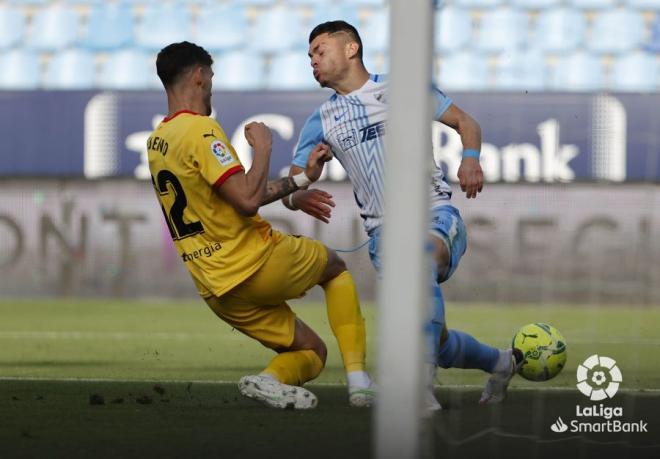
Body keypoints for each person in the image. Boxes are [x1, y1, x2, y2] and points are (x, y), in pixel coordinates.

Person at [283, 21, 522, 408]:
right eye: (309, 55)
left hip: (434, 212)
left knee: (419, 258)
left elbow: (466, 123)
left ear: (351, 49)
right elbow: (290, 186)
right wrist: (302, 189)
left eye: (319, 49)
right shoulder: (321, 119)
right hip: (382, 238)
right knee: (438, 340)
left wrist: (471, 159)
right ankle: (500, 362)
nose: (312, 60)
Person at [148, 41, 374, 409]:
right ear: (199, 75)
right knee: (334, 269)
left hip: (217, 289)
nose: (212, 85)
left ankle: (269, 381)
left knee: (312, 351)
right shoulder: (201, 131)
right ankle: (360, 380)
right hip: (254, 262)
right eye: (212, 76)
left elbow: (231, 195)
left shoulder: (159, 140)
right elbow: (248, 200)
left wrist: (299, 182)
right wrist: (264, 148)